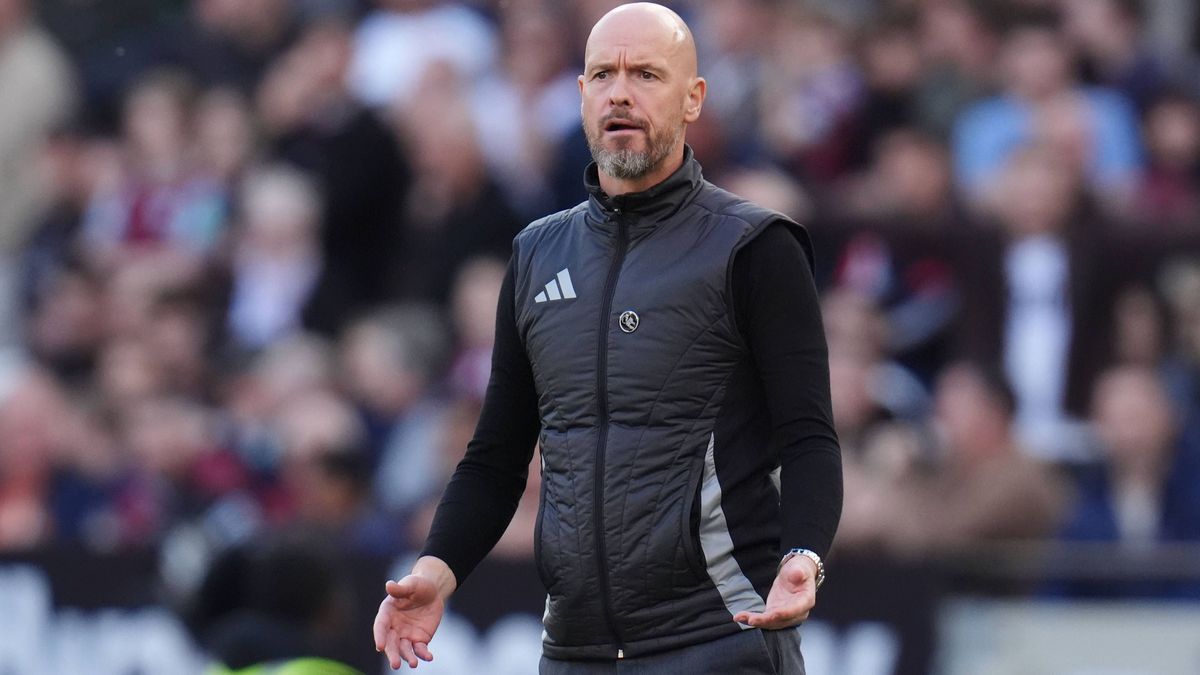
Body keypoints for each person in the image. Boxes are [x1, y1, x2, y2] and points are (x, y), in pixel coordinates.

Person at [373, 4, 842, 673]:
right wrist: (438, 568)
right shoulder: (536, 253)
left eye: (647, 73)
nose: (620, 91)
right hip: (574, 650)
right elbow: (495, 457)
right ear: (582, 95)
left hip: (720, 639)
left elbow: (809, 436)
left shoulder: (754, 246)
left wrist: (803, 554)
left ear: (693, 99)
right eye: (603, 74)